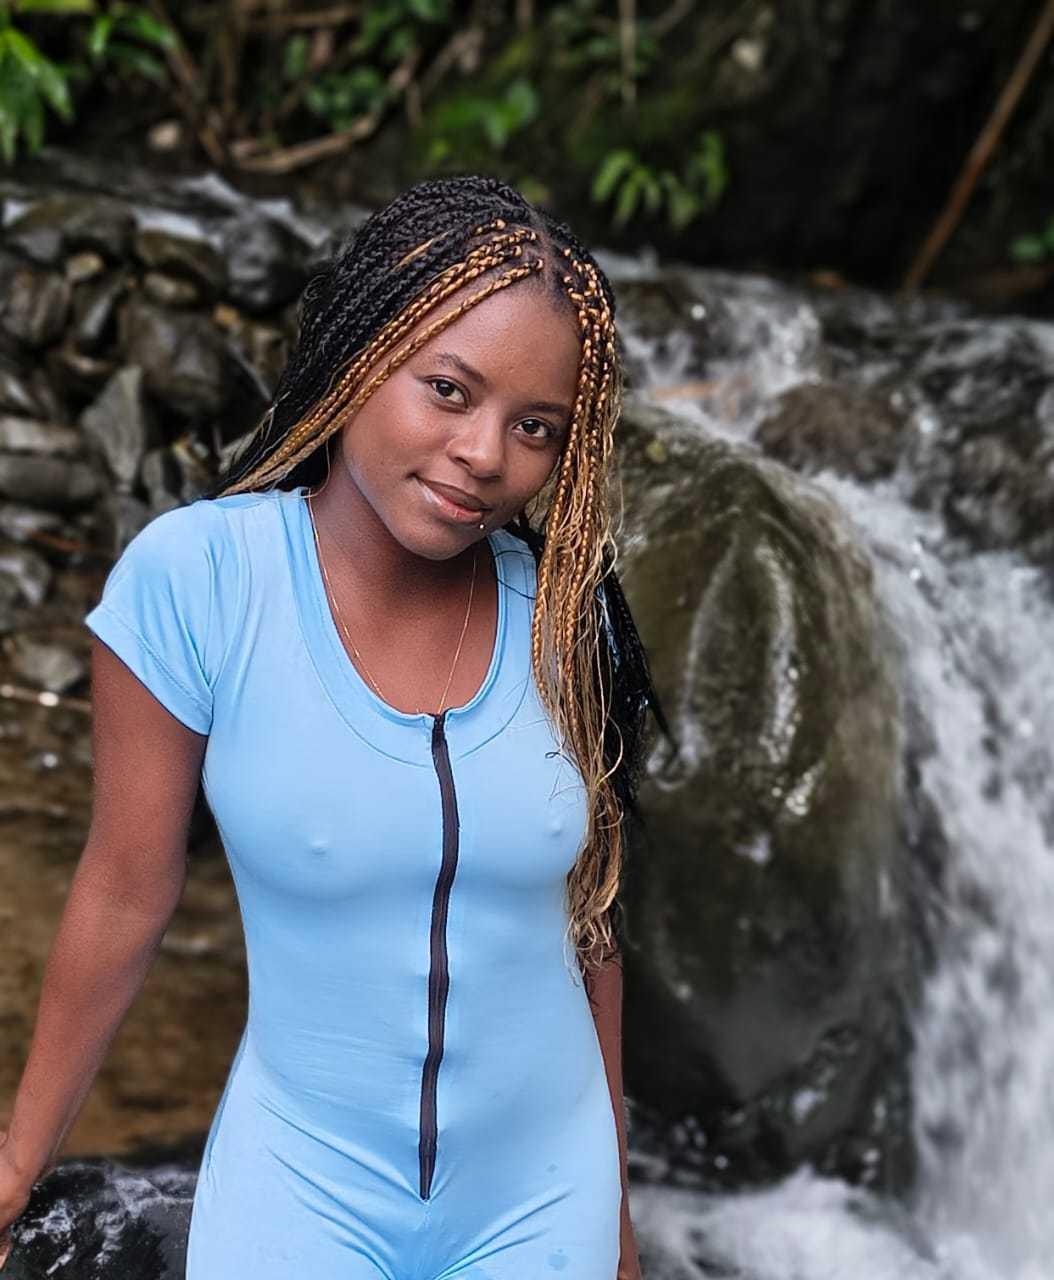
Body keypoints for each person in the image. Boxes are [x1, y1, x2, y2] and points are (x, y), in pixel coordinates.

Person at [0, 174, 667, 1278]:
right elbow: (124, 888)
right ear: (363, 352)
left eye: (534, 427)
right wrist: (19, 1160)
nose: (485, 453)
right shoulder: (201, 580)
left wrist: (619, 1227)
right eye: (447, 389)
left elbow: (588, 926)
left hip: (543, 1197)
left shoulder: (564, 617)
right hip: (302, 1186)